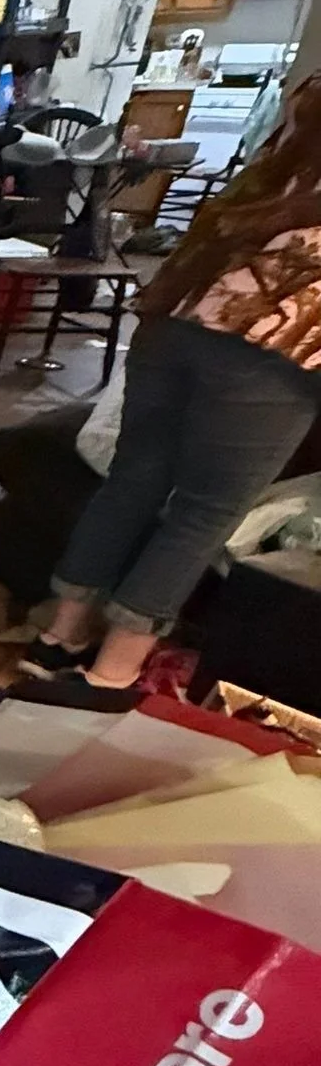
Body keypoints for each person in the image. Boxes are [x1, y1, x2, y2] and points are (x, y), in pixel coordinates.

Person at [22, 73, 321, 697]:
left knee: (134, 480)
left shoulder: (309, 101)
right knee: (203, 511)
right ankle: (111, 676)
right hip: (270, 338)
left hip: (180, 310)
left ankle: (57, 639)